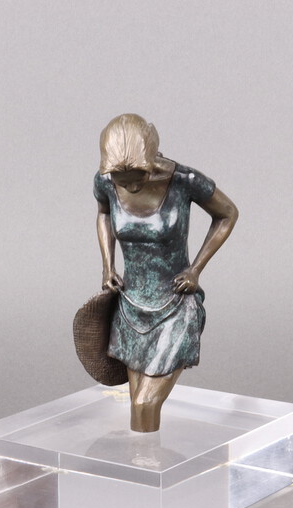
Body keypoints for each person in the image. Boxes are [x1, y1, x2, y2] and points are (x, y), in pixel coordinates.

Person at [94, 114, 238, 432]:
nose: (131, 186)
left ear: (152, 159)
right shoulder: (105, 181)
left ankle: (141, 457)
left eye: (138, 177)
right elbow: (103, 213)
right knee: (137, 403)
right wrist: (107, 266)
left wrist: (195, 269)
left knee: (145, 403)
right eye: (122, 181)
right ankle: (143, 456)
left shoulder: (185, 181)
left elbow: (227, 214)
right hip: (130, 307)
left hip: (175, 305)